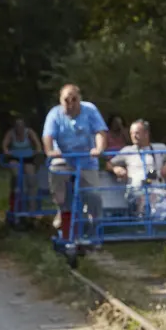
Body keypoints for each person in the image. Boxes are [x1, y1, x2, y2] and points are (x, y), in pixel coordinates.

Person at [42, 85, 109, 236]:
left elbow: (100, 131)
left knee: (93, 195)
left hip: (87, 160)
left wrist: (98, 149)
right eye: (66, 100)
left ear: (80, 99)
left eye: (74, 100)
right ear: (60, 100)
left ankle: (95, 230)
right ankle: (63, 214)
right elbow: (48, 136)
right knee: (57, 180)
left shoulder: (90, 110)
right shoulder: (54, 114)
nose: (70, 104)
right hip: (63, 158)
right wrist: (50, 151)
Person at [110, 119, 166, 218]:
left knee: (155, 195)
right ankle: (146, 219)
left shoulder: (160, 148)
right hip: (135, 191)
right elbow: (109, 164)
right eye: (131, 133)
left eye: (137, 133)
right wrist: (115, 168)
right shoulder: (127, 151)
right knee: (143, 196)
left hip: (157, 189)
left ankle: (147, 219)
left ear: (146, 134)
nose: (133, 136)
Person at [1, 114, 43, 210]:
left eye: (21, 125)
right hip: (15, 157)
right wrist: (6, 151)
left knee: (31, 178)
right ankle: (17, 195)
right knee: (17, 175)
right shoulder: (11, 133)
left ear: (24, 126)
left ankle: (32, 206)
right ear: (14, 126)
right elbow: (4, 144)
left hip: (28, 157)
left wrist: (37, 151)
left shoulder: (29, 132)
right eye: (17, 125)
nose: (19, 127)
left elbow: (37, 144)